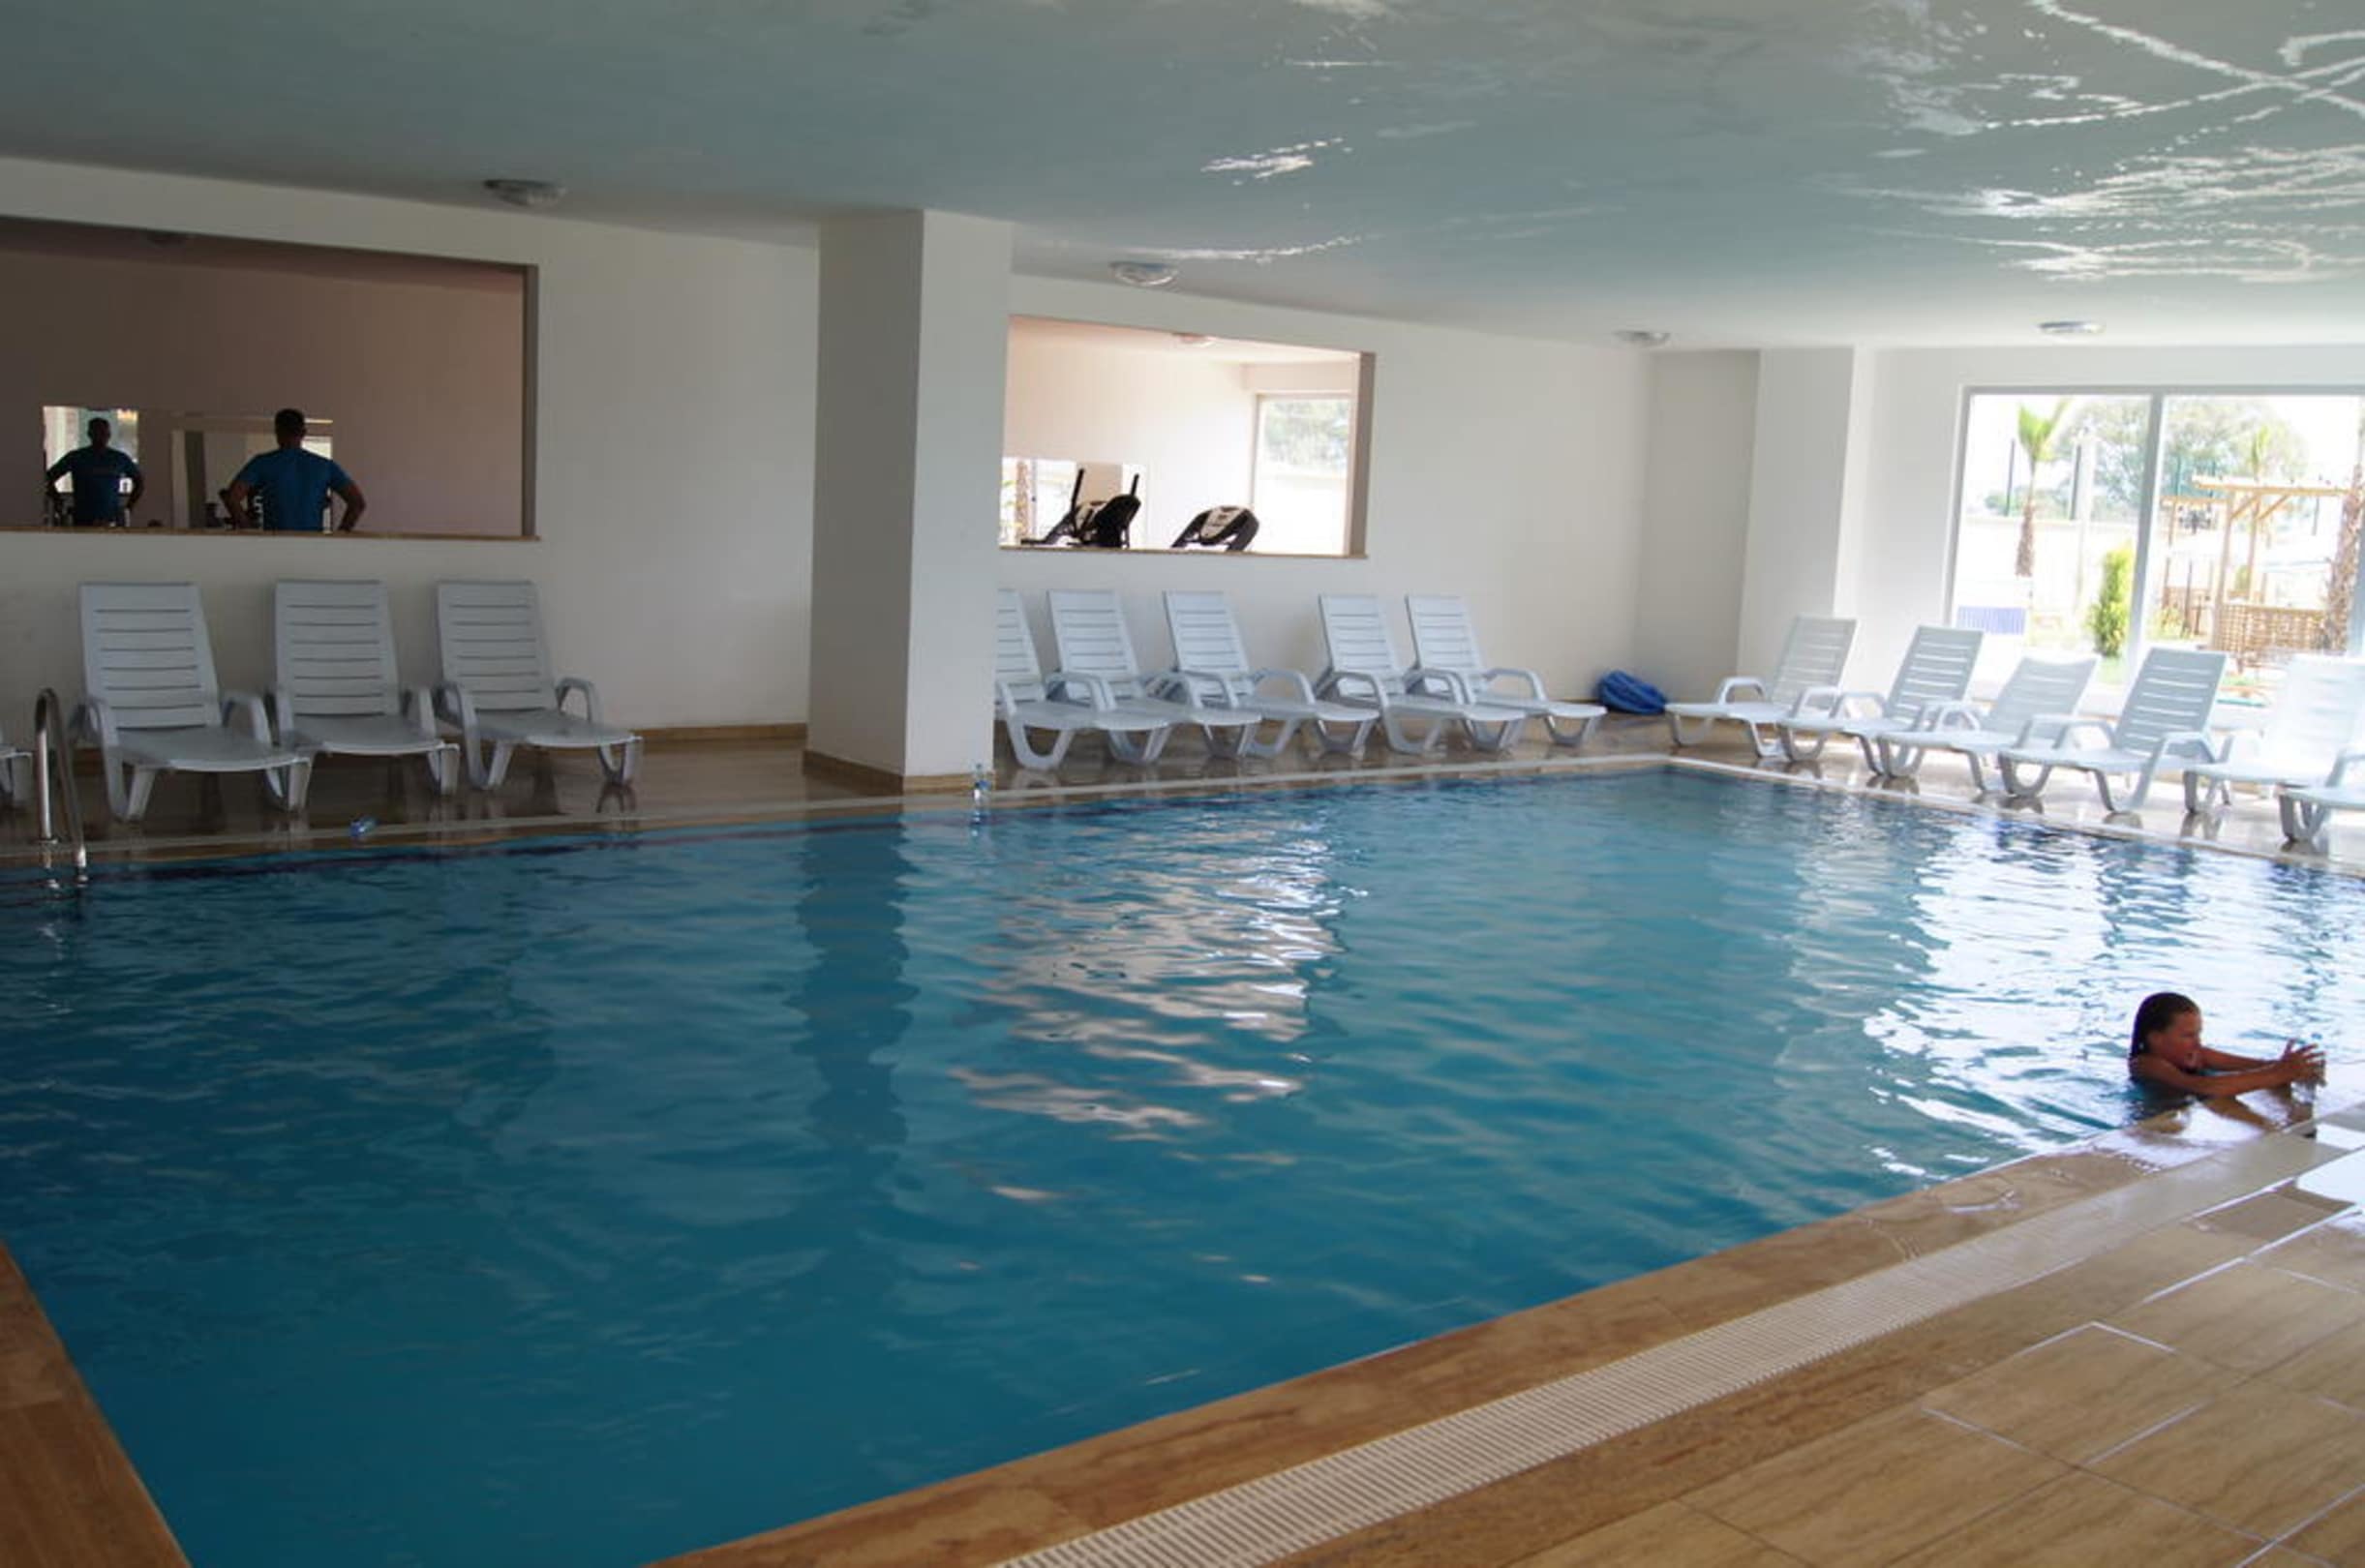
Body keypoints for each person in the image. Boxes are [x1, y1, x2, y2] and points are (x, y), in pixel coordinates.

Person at [2127, 991, 2324, 1099]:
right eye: (2188, 1036)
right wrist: (2278, 1073)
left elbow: (2255, 1066)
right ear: (2156, 1039)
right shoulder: (2146, 1064)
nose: (2197, 1042)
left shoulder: (2197, 1054)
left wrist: (2294, 1067)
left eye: (2198, 1033)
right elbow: (2203, 1087)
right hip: (2156, 1125)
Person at [225, 408, 365, 532]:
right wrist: (340, 535)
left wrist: (250, 532)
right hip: (313, 544)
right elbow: (357, 503)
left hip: (275, 543)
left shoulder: (262, 463)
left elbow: (232, 498)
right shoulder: (324, 466)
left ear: (277, 432)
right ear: (303, 433)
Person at [44, 416, 144, 527]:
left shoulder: (119, 458)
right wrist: (58, 501)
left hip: (111, 521)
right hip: (82, 522)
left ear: (109, 435)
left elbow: (139, 481)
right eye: (97, 432)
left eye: (104, 433)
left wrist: (128, 508)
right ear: (90, 434)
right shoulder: (77, 457)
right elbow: (47, 479)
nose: (101, 436)